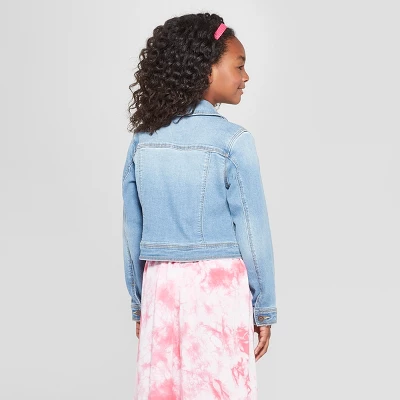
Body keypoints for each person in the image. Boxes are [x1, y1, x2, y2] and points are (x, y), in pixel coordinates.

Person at [122, 12, 277, 400]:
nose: (245, 76)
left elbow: (131, 231)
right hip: (218, 291)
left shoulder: (144, 141)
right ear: (206, 68)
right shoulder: (233, 141)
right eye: (238, 65)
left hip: (160, 287)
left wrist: (140, 304)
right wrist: (264, 308)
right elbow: (253, 233)